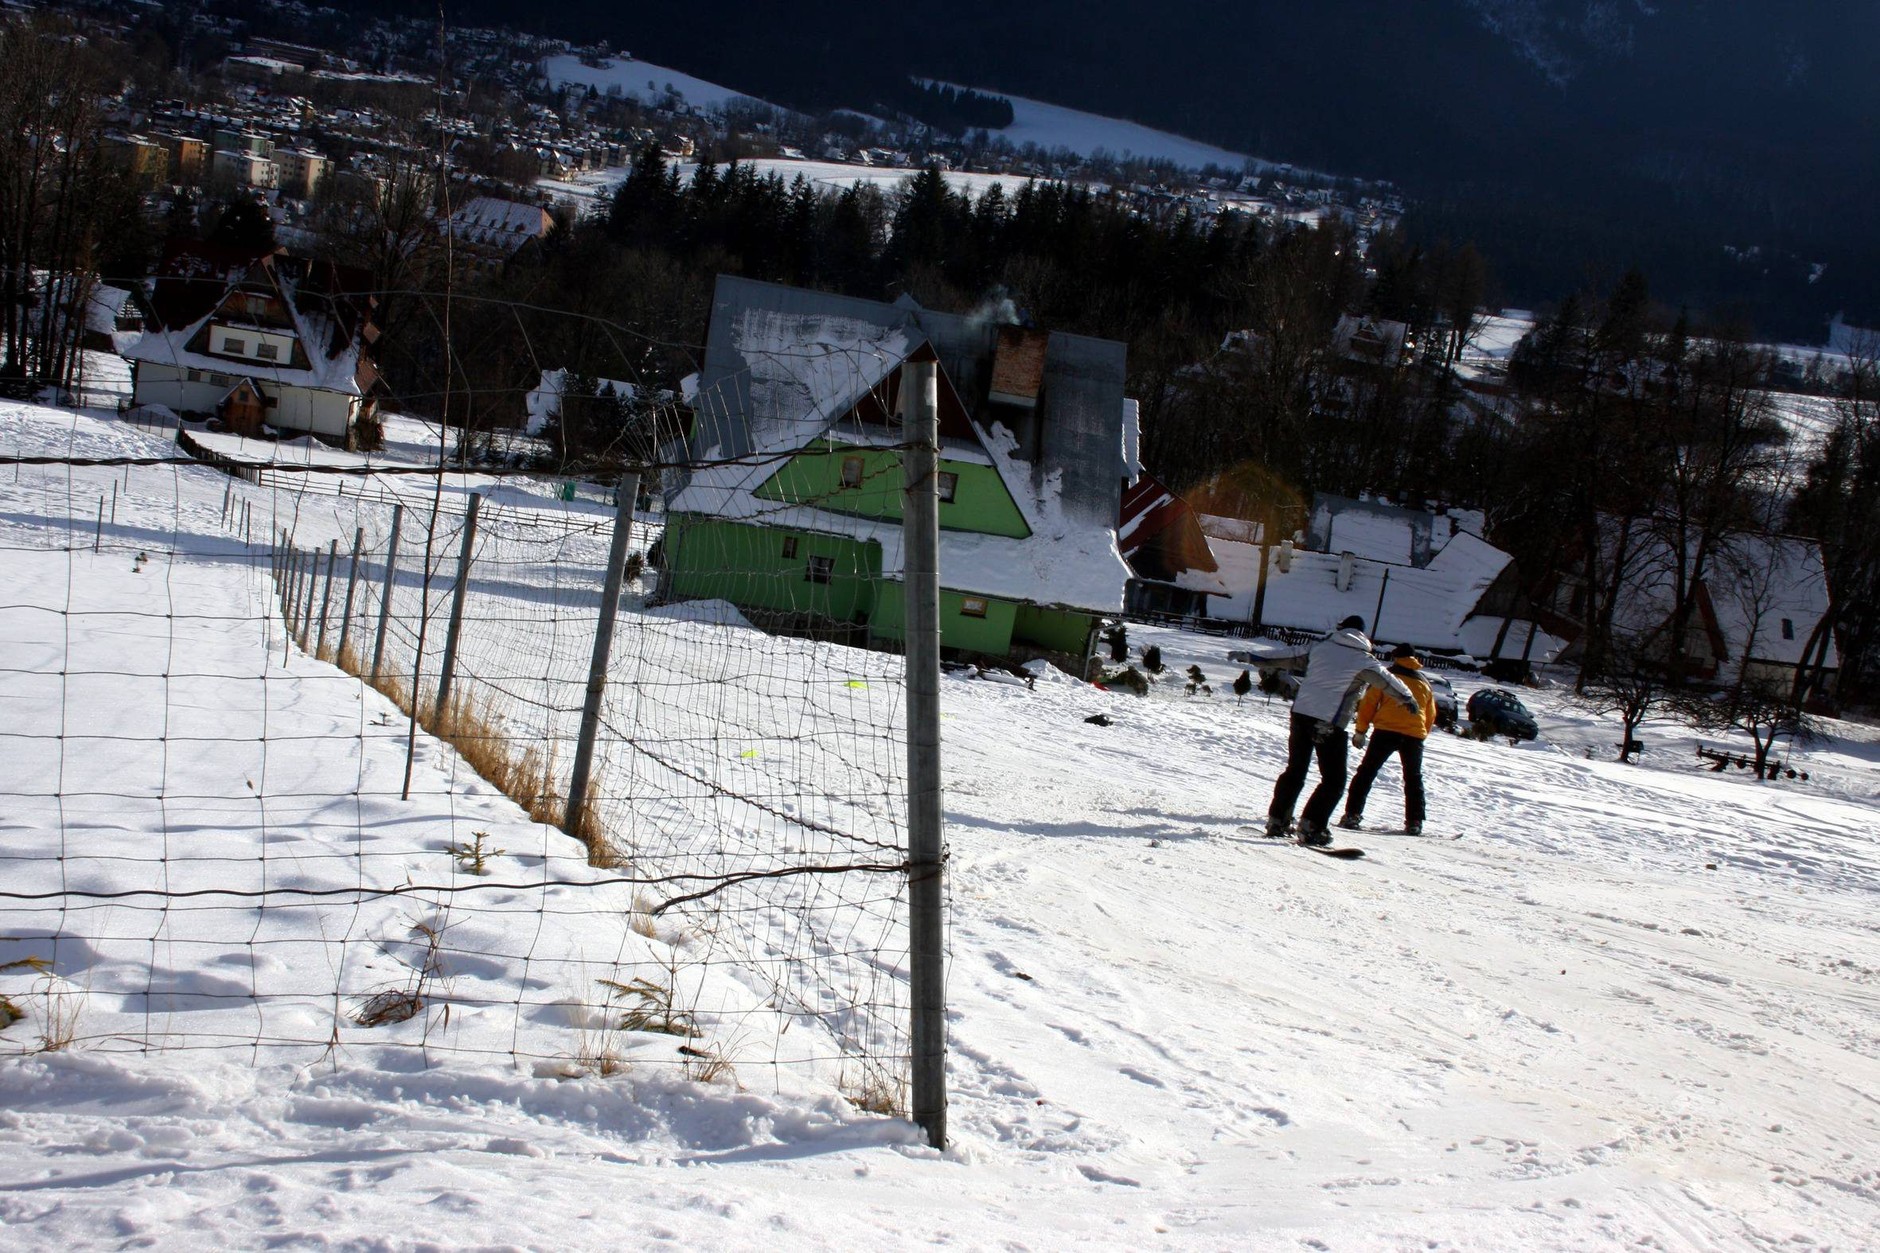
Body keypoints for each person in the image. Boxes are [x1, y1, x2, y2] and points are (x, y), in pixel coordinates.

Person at [1263, 616, 1421, 845]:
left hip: (1300, 716)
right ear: (1364, 635)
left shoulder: (1321, 647)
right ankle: (1311, 826)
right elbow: (1386, 680)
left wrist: (1253, 657)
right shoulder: (1362, 658)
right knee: (1334, 780)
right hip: (1328, 722)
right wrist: (1406, 697)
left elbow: (1288, 656)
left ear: (1341, 629)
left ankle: (1277, 821)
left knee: (1295, 770)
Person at [1338, 643, 1438, 835]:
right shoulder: (1424, 682)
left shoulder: (1387, 677)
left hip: (1386, 730)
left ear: (1395, 657)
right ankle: (1414, 821)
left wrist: (1361, 730)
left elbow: (1368, 704)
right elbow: (1430, 713)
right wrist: (1422, 734)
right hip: (1414, 735)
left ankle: (1352, 815)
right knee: (1413, 778)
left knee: (1367, 771)